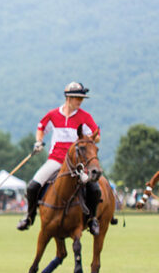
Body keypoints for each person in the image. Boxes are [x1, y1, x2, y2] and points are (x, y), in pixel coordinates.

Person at [17, 82, 102, 235]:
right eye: (78, 98)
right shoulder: (53, 115)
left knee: (94, 189)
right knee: (32, 187)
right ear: (68, 98)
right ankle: (29, 217)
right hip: (55, 160)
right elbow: (41, 128)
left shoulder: (85, 117)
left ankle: (92, 219)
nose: (80, 102)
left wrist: (86, 140)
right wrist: (38, 141)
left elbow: (97, 136)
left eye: (82, 99)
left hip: (77, 164)